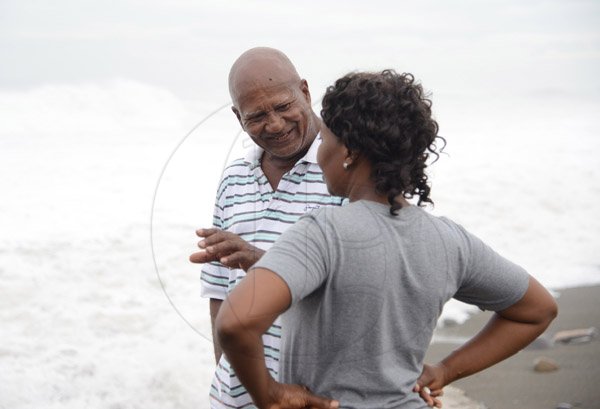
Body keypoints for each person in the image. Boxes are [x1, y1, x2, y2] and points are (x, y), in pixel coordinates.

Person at [215, 70, 558, 409]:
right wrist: (445, 370)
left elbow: (236, 321)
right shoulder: (450, 240)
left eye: (327, 141)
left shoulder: (323, 230)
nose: (319, 154)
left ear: (348, 151)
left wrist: (269, 394)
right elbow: (537, 310)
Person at [189, 47, 345, 408]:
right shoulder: (234, 179)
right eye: (256, 115)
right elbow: (218, 294)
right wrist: (228, 377)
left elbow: (365, 287)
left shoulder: (348, 169)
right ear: (237, 118)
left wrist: (261, 261)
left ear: (305, 92)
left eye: (282, 106)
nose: (274, 125)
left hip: (318, 397)